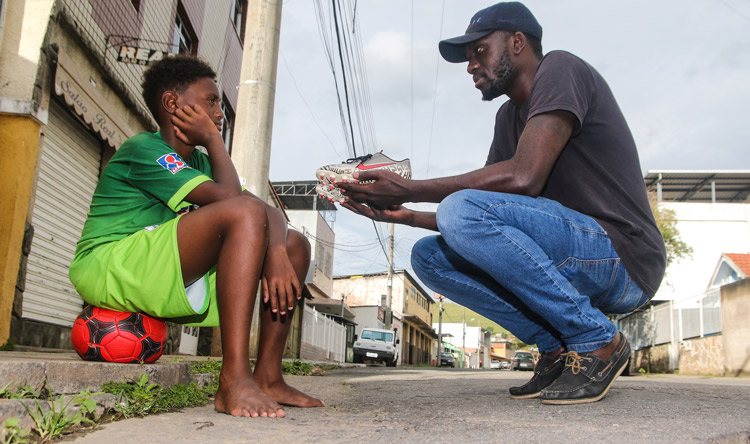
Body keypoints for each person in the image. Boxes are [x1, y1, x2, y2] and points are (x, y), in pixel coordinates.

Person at [337, 2, 666, 404]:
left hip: (622, 257)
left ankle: (597, 340)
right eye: (468, 58)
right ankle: (557, 349)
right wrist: (405, 216)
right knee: (429, 257)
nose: (471, 65)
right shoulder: (508, 119)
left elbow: (523, 177)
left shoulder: (560, 69)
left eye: (479, 51)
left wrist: (409, 188)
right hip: (573, 255)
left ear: (516, 43)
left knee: (459, 207)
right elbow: (482, 218)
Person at [69, 55, 324, 417]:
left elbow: (266, 211)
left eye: (219, 104)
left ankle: (268, 376)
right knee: (245, 214)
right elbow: (234, 201)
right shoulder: (145, 149)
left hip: (153, 269)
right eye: (211, 101)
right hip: (107, 265)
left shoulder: (203, 165)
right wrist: (213, 139)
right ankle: (233, 379)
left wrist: (279, 251)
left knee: (296, 244)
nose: (219, 113)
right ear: (172, 104)